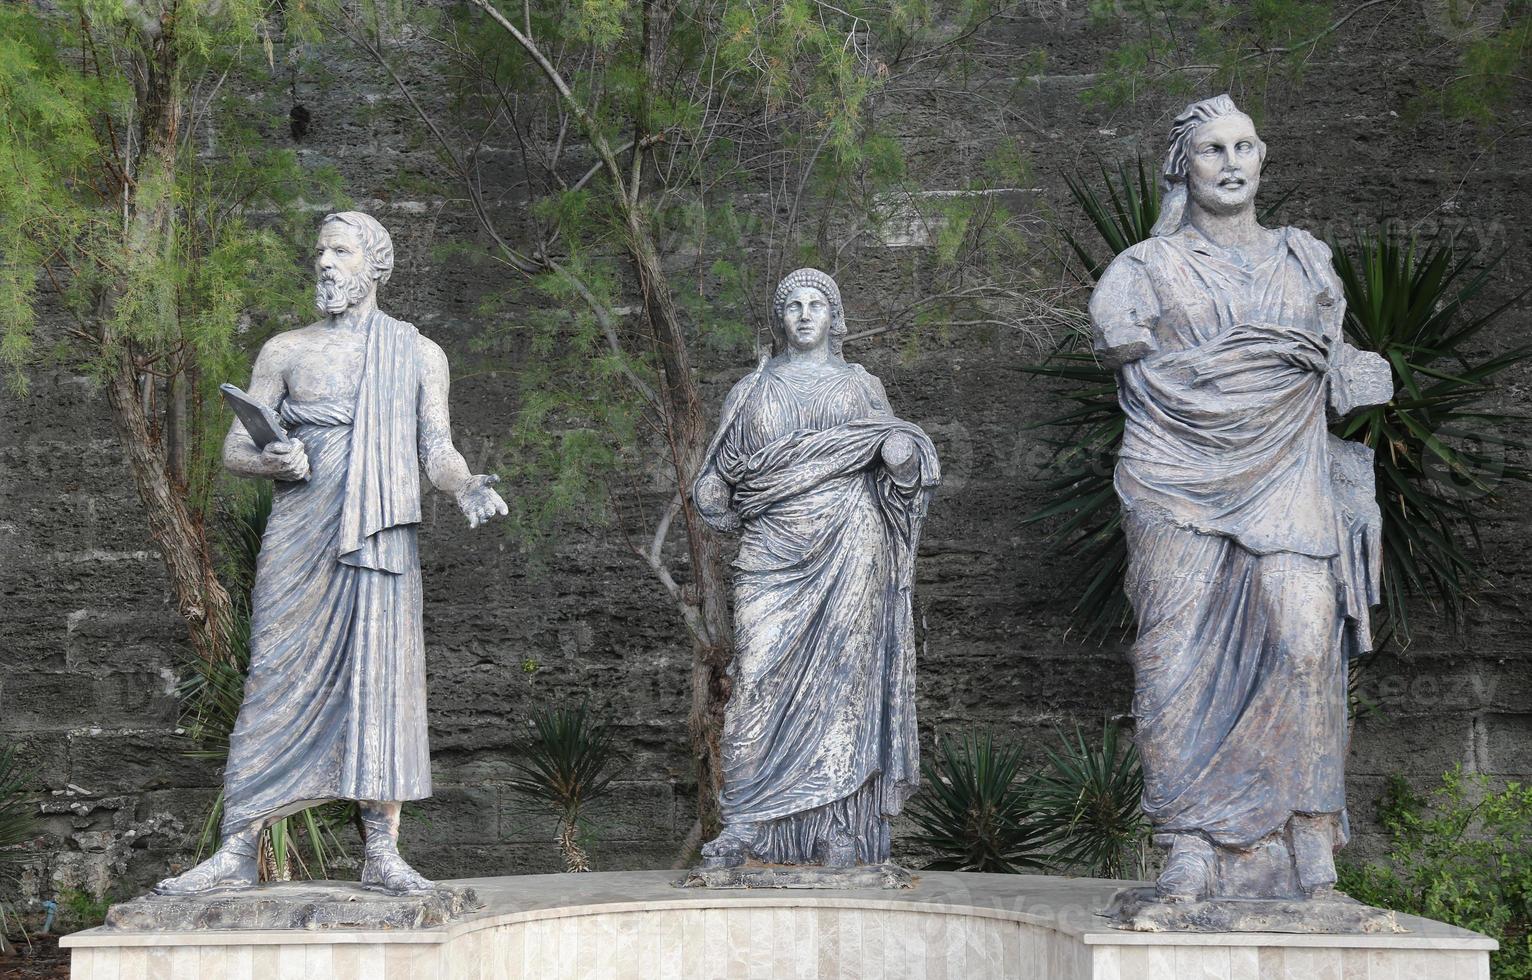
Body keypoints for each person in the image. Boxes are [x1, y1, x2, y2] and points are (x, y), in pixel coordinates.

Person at [1091, 96, 1392, 902]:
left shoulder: (1306, 259)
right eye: (1212, 150)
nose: (1230, 163)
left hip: (1288, 475)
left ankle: (1308, 835)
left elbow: (1333, 364)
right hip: (1173, 479)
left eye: (1244, 146)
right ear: (1181, 168)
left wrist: (1362, 373)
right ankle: (1187, 840)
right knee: (1174, 653)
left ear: (1262, 159)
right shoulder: (1140, 272)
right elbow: (1126, 347)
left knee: (1302, 645)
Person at [155, 212, 507, 896]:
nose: (325, 263)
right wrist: (274, 461)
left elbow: (434, 446)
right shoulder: (286, 350)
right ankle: (237, 849)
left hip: (380, 532)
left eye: (340, 251)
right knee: (274, 679)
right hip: (302, 529)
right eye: (320, 251)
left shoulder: (417, 352)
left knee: (383, 679)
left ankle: (382, 850)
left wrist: (463, 484)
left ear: (376, 266)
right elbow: (235, 448)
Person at [692, 268, 940, 869]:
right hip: (772, 552)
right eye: (794, 305)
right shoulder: (750, 391)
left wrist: (904, 462)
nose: (805, 314)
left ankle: (838, 829)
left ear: (834, 316)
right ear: (780, 318)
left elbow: (897, 465)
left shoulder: (860, 387)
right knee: (756, 678)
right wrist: (710, 497)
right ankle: (747, 822)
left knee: (843, 684)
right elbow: (717, 475)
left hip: (851, 544)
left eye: (816, 304)